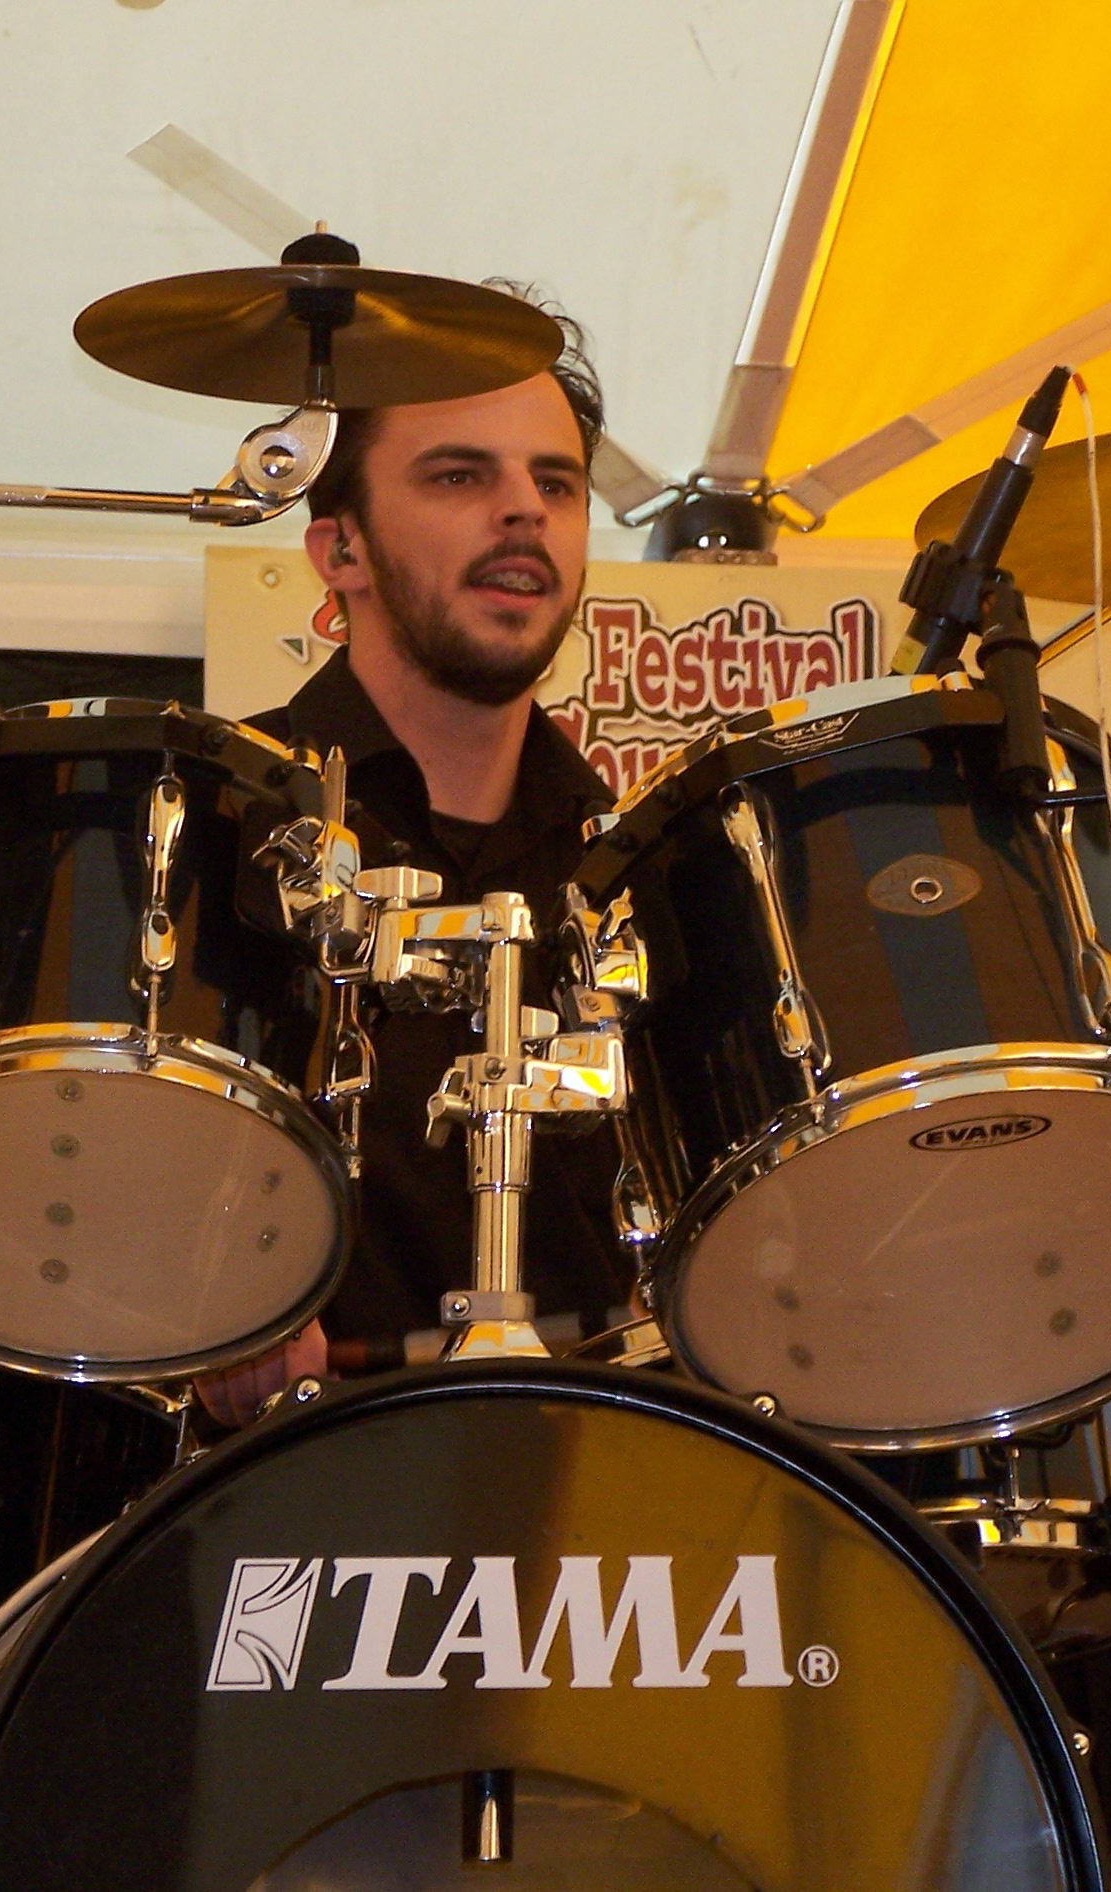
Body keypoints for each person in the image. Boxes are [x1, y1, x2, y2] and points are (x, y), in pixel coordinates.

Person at [198, 306, 635, 1422]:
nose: (523, 509)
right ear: (338, 550)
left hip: (598, 1490)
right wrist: (199, 1307)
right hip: (276, 1492)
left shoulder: (634, 868)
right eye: (458, 476)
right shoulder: (211, 820)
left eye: (556, 483)